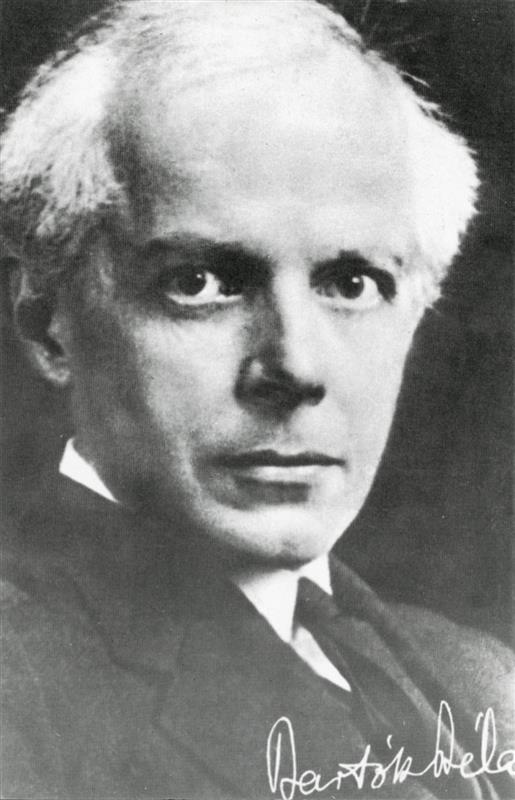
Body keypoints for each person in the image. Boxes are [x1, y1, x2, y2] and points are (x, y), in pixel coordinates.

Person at [0, 1, 513, 798]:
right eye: (200, 283)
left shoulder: (483, 683)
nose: (296, 366)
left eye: (351, 283)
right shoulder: (19, 694)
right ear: (46, 325)